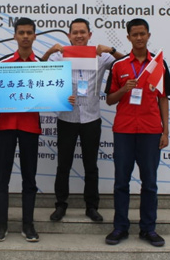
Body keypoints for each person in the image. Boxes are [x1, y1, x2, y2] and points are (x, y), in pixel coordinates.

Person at [40, 18, 123, 222]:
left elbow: (125, 63)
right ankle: (60, 205)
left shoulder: (101, 56)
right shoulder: (59, 56)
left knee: (91, 165)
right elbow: (37, 72)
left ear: (89, 35)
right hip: (66, 118)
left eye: (83, 32)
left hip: (91, 118)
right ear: (69, 36)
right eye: (75, 32)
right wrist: (49, 52)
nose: (79, 35)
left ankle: (92, 206)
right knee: (63, 165)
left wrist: (111, 49)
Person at [104, 18, 170, 247]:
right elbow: (109, 100)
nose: (139, 38)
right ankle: (120, 227)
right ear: (128, 38)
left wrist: (165, 131)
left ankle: (148, 229)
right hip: (124, 130)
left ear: (148, 35)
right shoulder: (119, 65)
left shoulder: (159, 65)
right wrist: (124, 89)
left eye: (143, 33)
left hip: (150, 131)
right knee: (121, 182)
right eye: (134, 34)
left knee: (150, 183)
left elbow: (163, 99)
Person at [0, 17, 42, 242]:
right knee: (2, 178)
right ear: (14, 36)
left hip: (30, 127)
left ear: (34, 36)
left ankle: (28, 225)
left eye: (29, 32)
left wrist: (63, 97)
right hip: (6, 126)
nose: (25, 36)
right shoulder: (2, 63)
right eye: (21, 32)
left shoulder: (43, 65)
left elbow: (50, 96)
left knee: (29, 179)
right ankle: (1, 224)